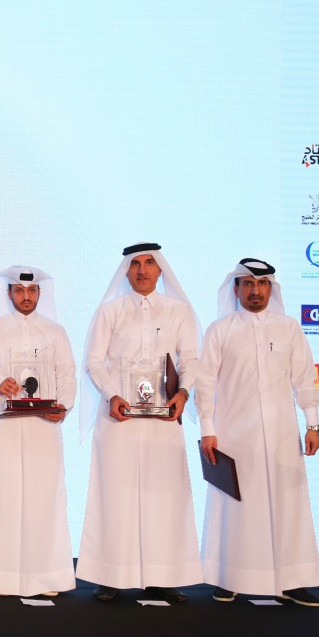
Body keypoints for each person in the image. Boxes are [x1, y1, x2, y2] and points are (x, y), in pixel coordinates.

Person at [77, 242, 202, 603]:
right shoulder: (110, 311)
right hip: (120, 417)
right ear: (126, 271)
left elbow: (190, 358)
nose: (142, 270)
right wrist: (113, 395)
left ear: (161, 270)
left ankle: (164, 578)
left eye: (150, 263)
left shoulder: (178, 311)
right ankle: (110, 576)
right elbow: (94, 361)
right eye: (135, 264)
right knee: (115, 493)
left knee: (163, 497)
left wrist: (184, 393)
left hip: (164, 418)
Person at [197, 258, 319, 606]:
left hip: (283, 436)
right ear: (236, 289)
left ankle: (293, 579)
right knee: (236, 508)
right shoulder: (220, 330)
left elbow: (305, 380)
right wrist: (208, 429)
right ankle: (229, 577)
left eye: (262, 284)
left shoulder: (289, 328)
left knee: (288, 508)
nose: (255, 291)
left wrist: (312, 425)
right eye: (248, 284)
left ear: (271, 288)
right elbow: (204, 384)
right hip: (235, 437)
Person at [0, 265, 76, 597]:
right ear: (9, 293)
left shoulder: (55, 332)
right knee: (2, 495)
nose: (26, 297)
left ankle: (44, 578)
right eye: (19, 291)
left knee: (43, 498)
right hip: (3, 425)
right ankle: (0, 577)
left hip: (44, 427)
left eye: (32, 291)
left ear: (40, 293)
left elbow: (66, 373)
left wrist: (64, 406)